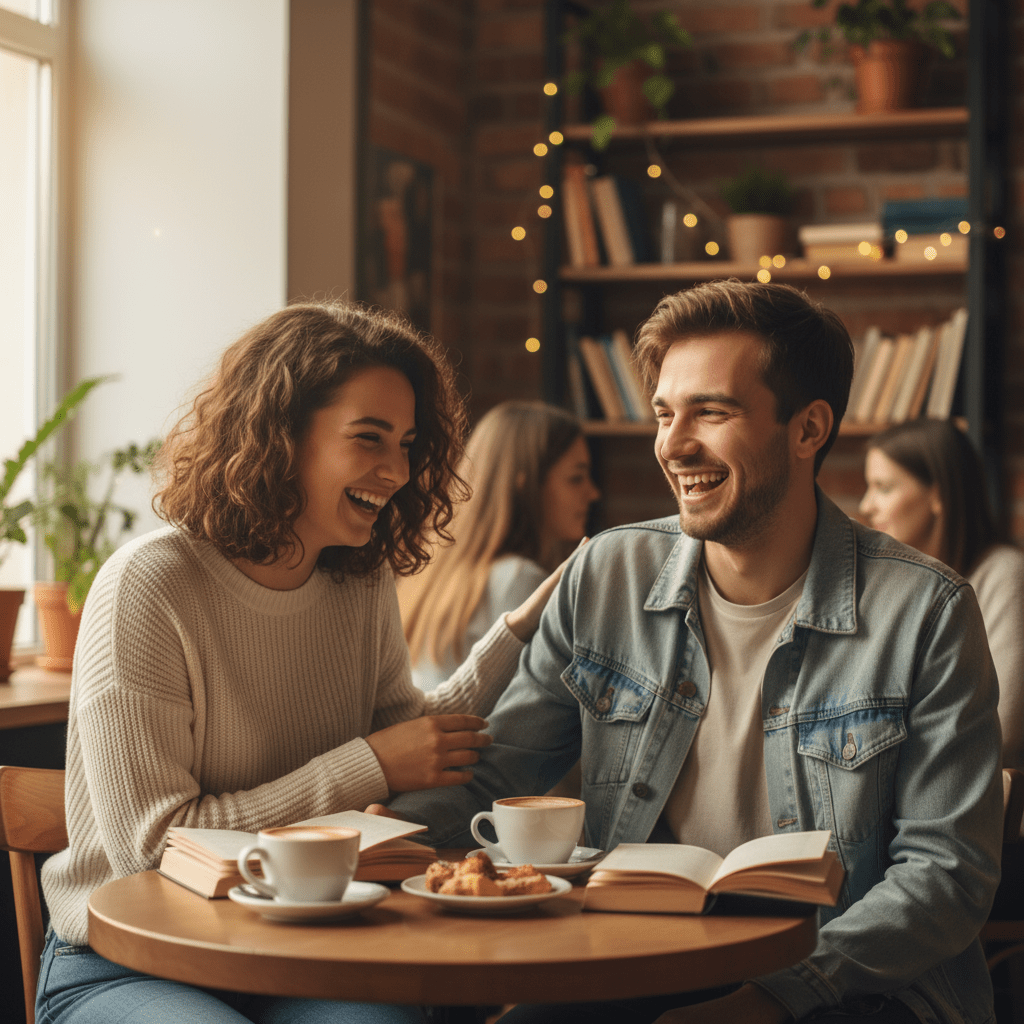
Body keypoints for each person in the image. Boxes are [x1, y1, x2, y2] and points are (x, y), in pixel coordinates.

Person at [385, 280, 1004, 1024]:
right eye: (664, 413)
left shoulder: (927, 611)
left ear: (808, 429)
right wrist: (371, 853)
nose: (673, 446)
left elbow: (945, 877)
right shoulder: (606, 574)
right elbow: (493, 773)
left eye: (712, 411)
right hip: (640, 958)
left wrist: (770, 999)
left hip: (856, 978)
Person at [36, 302, 564, 1024]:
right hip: (131, 954)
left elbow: (409, 740)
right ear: (279, 438)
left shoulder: (360, 580)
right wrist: (369, 768)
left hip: (307, 941)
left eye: (408, 444)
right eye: (369, 438)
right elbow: (152, 848)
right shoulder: (150, 586)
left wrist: (519, 627)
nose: (399, 470)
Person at [400, 400, 599, 692]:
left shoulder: (434, 573)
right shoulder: (519, 579)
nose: (593, 493)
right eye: (576, 478)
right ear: (525, 484)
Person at [859, 417, 1024, 770]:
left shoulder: (1005, 575)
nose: (866, 505)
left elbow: (1002, 731)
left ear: (938, 494)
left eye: (883, 488)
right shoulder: (895, 585)